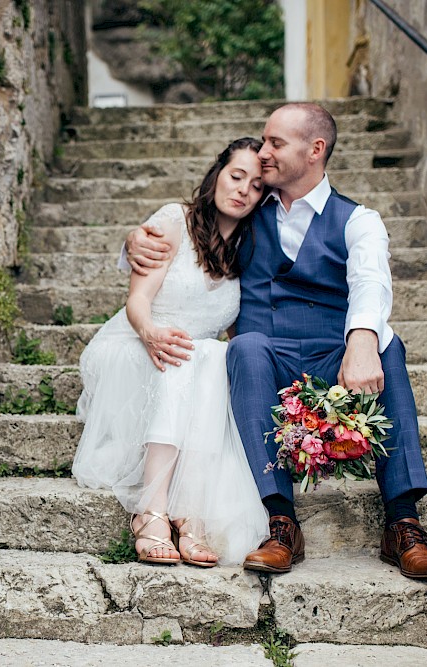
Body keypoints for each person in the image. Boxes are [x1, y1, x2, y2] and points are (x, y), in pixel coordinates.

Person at [125, 103, 427, 580]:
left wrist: (362, 337)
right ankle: (281, 522)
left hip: (333, 358)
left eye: (275, 143)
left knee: (389, 343)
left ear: (315, 150)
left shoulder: (358, 219)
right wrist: (134, 240)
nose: (263, 153)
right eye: (263, 142)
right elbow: (191, 234)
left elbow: (371, 280)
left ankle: (403, 523)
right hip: (269, 358)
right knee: (244, 347)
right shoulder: (247, 210)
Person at [73, 137, 270, 567]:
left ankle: (189, 513)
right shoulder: (173, 221)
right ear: (217, 173)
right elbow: (137, 303)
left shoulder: (249, 249)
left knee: (214, 355)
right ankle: (153, 512)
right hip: (136, 346)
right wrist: (150, 333)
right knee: (190, 353)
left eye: (256, 186)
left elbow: (235, 332)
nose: (243, 190)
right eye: (236, 176)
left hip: (189, 361)